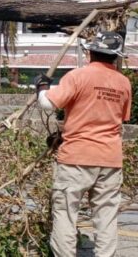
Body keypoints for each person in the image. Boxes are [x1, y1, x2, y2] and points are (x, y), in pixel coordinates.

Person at [35, 31, 132, 257]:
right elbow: (119, 118)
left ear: (90, 52)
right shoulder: (124, 83)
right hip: (110, 159)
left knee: (66, 213)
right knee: (106, 216)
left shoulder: (77, 76)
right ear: (115, 57)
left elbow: (48, 105)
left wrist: (41, 87)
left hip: (76, 157)